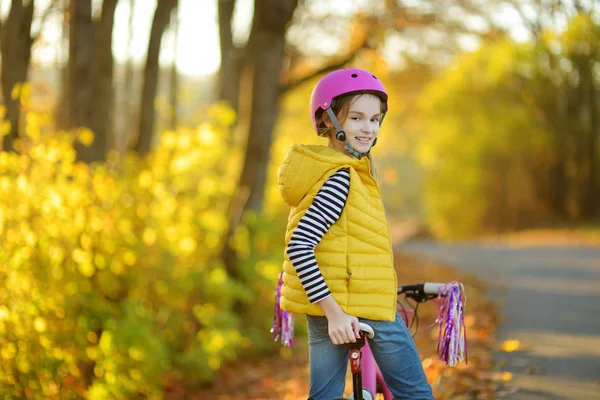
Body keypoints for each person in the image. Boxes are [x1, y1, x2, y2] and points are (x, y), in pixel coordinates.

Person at [275, 68, 434, 399]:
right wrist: (336, 313)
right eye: (357, 118)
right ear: (330, 120)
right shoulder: (341, 178)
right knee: (416, 394)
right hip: (360, 309)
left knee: (325, 397)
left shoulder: (328, 170)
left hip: (328, 307)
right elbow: (300, 245)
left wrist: (331, 312)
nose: (369, 128)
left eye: (375, 119)